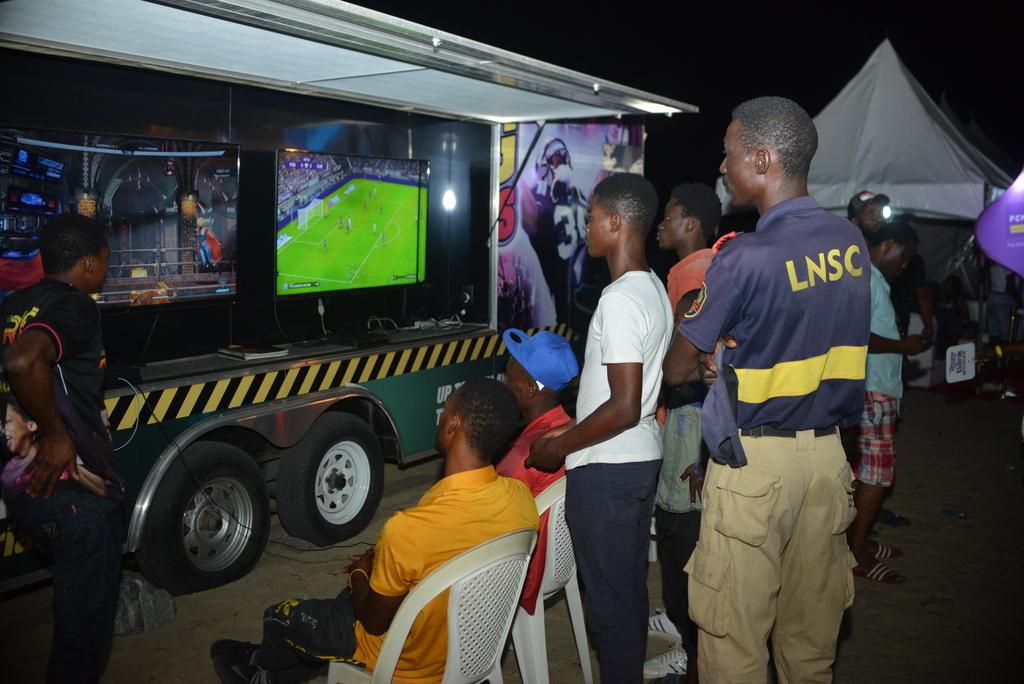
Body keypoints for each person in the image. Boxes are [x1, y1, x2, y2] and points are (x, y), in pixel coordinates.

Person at [663, 96, 869, 684]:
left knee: (734, 652)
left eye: (729, 155)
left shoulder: (745, 257)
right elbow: (803, 338)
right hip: (829, 462)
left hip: (756, 471)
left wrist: (710, 356)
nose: (722, 168)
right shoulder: (850, 242)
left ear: (762, 158)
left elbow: (678, 369)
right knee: (809, 650)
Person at [210, 377, 538, 684]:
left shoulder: (409, 529)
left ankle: (262, 673)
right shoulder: (520, 498)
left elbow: (373, 621)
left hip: (402, 660)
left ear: (454, 425)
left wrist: (360, 574)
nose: (440, 419)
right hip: (468, 646)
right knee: (336, 607)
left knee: (280, 617)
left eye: (446, 409)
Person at [527, 172, 672, 683]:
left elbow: (625, 404)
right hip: (636, 462)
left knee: (608, 606)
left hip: (608, 470)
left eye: (591, 218)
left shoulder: (619, 299)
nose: (585, 227)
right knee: (628, 589)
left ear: (615, 222)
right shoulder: (653, 286)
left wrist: (557, 446)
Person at [1, 213, 123, 684]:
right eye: (108, 259)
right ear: (90, 264)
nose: (107, 268)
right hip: (73, 491)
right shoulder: (76, 306)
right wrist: (55, 433)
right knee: (83, 636)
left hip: (24, 484)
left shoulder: (15, 303)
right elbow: (23, 359)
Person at [646, 182, 722, 683]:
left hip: (692, 418)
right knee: (674, 527)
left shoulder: (697, 276)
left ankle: (691, 650)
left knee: (681, 532)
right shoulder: (695, 269)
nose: (661, 224)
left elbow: (690, 365)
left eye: (669, 216)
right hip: (688, 415)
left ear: (690, 223)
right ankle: (677, 622)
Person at [846, 216, 926, 584]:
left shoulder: (875, 280)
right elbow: (858, 335)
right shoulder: (869, 280)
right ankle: (856, 551)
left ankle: (861, 539)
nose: (904, 265)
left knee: (868, 474)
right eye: (904, 257)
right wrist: (903, 346)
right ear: (889, 246)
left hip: (879, 388)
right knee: (876, 477)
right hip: (872, 389)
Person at [496, 327, 579, 614]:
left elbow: (492, 522)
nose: (505, 383)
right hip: (558, 562)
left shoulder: (524, 456)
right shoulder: (569, 427)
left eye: (509, 377)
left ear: (530, 388)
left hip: (522, 574)